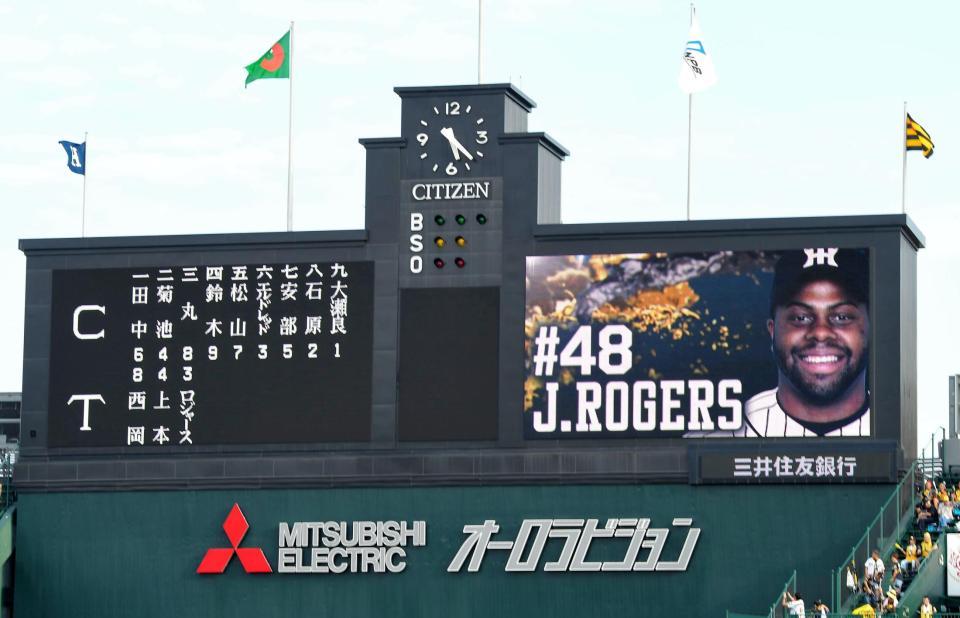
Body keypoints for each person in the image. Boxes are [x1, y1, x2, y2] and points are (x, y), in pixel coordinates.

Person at [725, 248, 870, 437]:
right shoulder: (715, 437)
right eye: (800, 318)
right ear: (772, 331)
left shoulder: (895, 427)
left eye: (842, 317)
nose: (820, 333)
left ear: (873, 329)